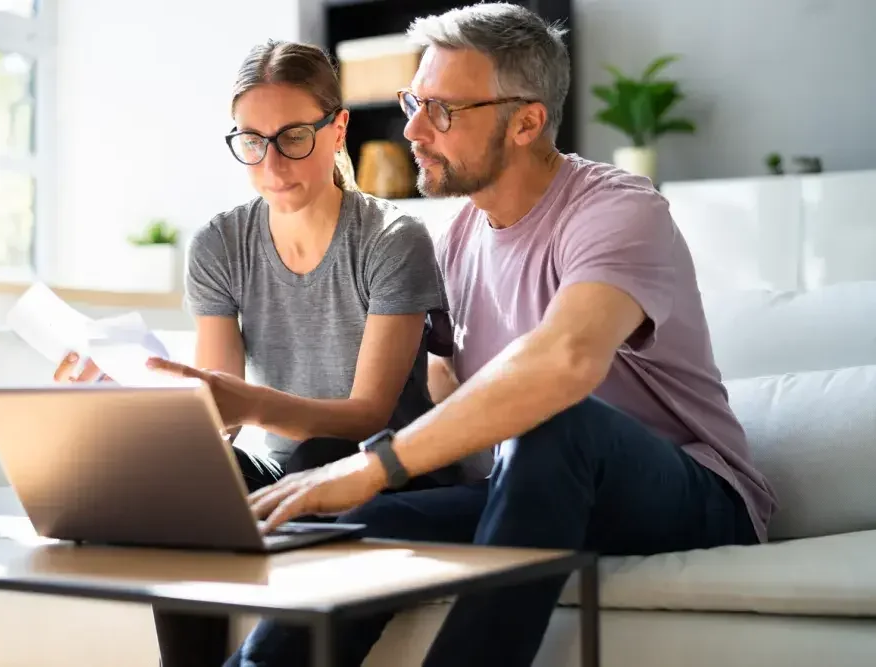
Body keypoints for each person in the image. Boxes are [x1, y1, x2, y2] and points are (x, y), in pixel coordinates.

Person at [201, 3, 780, 667]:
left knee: (556, 421)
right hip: (530, 492)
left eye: (443, 109)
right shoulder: (458, 241)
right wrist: (337, 469)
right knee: (360, 529)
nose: (413, 127)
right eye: (414, 100)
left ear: (527, 120)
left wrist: (377, 464)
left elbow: (562, 361)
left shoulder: (617, 209)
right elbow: (443, 388)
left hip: (690, 495)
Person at [54, 37, 482, 667]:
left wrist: (248, 405)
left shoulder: (393, 240)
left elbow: (366, 415)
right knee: (186, 479)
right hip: (287, 476)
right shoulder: (220, 244)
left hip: (385, 472)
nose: (272, 163)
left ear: (338, 130)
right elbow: (218, 415)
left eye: (292, 137)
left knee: (324, 447)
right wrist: (131, 411)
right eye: (251, 141)